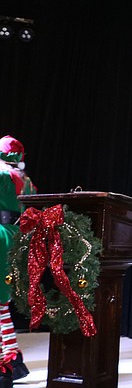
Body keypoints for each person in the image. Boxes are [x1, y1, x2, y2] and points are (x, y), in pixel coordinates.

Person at [0, 135, 33, 385]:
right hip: (17, 237)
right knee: (2, 305)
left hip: (1, 237)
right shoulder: (26, 180)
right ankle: (11, 359)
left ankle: (8, 363)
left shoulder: (1, 176)